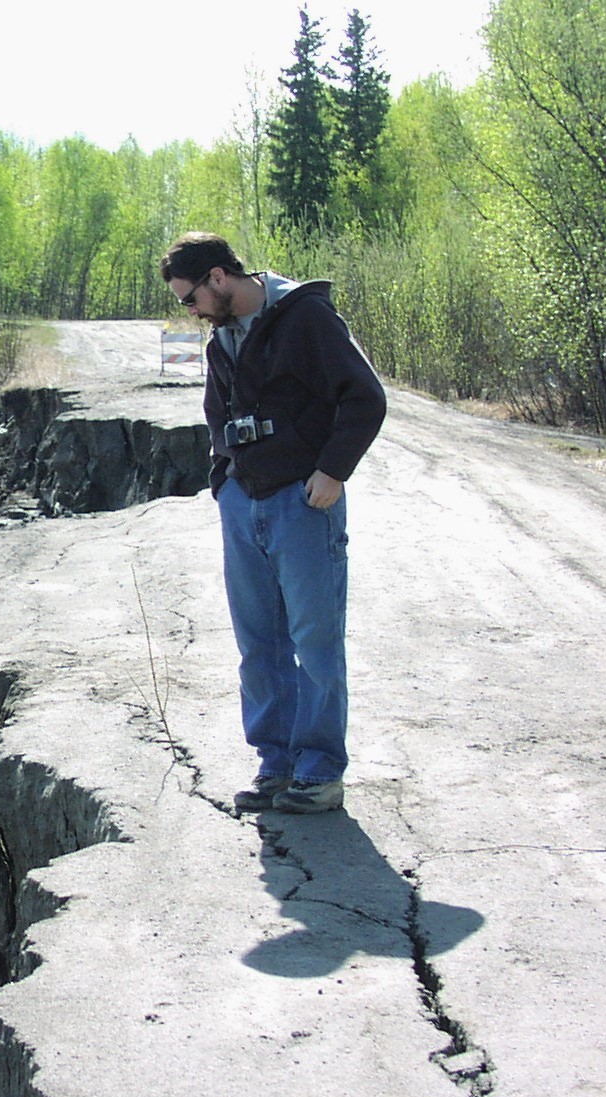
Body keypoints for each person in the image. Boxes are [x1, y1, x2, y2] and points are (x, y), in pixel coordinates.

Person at [160, 232, 385, 814]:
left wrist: (333, 472)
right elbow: (217, 415)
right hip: (245, 502)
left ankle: (319, 773)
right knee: (259, 644)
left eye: (189, 298)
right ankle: (276, 765)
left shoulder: (305, 316)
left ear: (217, 278)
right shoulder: (219, 341)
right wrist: (224, 479)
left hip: (303, 506)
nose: (188, 312)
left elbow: (365, 397)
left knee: (314, 641)